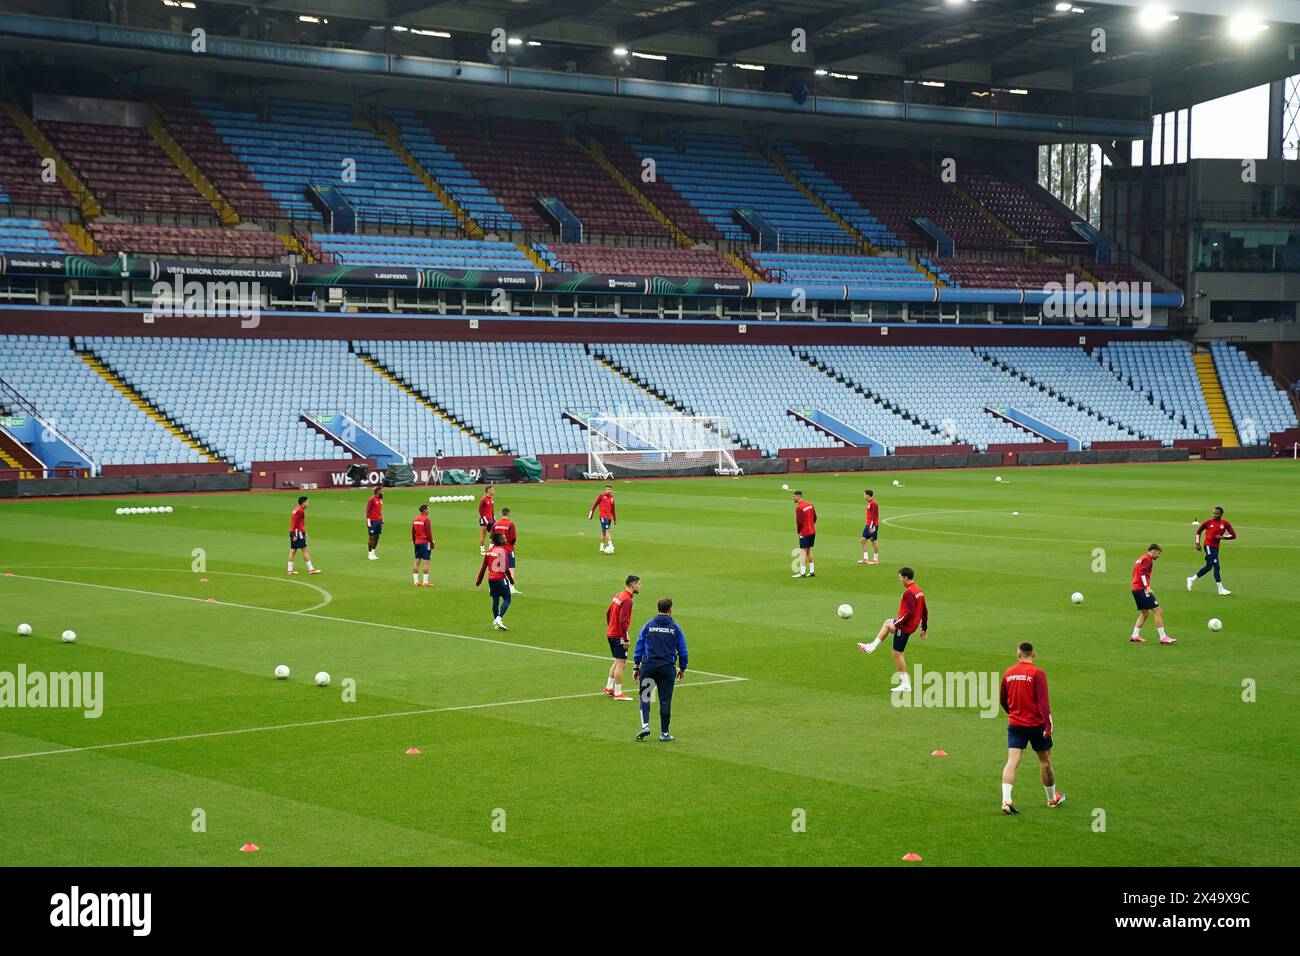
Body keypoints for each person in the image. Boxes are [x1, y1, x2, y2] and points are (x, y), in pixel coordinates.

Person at [999, 642, 1066, 815]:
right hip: (1036, 725)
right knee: (1045, 762)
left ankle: (1006, 800)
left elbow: (1002, 699)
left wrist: (1013, 712)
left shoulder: (1008, 673)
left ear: (1018, 654)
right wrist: (1048, 725)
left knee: (1012, 761)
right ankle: (1052, 799)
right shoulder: (1038, 673)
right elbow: (1043, 702)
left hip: (1015, 724)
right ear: (1033, 654)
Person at [858, 566, 927, 693]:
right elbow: (924, 609)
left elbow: (910, 613)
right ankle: (871, 647)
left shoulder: (909, 592)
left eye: (901, 578)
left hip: (905, 626)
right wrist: (924, 628)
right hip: (910, 625)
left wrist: (898, 624)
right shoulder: (918, 590)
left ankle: (906, 685)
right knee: (888, 622)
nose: (900, 580)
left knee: (897, 654)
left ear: (906, 577)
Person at [633, 597, 688, 742]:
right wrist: (682, 668)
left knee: (646, 696)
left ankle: (645, 725)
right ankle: (664, 733)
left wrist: (636, 666)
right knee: (665, 700)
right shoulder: (675, 627)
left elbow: (639, 645)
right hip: (666, 669)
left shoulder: (648, 625)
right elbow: (683, 650)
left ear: (657, 609)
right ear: (670, 610)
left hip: (649, 667)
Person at [604, 575, 641, 701]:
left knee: (617, 660)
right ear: (633, 585)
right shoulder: (627, 600)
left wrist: (611, 627)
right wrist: (625, 638)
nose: (640, 586)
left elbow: (608, 613)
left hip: (611, 633)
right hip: (618, 635)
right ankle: (618, 693)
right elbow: (623, 621)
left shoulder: (618, 595)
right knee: (621, 663)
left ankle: (609, 687)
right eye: (638, 584)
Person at [1131, 544, 1175, 644]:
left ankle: (1135, 635)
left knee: (1145, 613)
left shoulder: (1141, 558)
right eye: (1158, 554)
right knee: (1158, 611)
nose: (1158, 556)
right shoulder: (1148, 559)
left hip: (1135, 588)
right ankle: (1163, 637)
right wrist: (1147, 587)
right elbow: (1142, 573)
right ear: (1154, 551)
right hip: (1142, 589)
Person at [1188, 506, 1236, 596]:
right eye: (1213, 513)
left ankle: (1192, 579)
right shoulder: (1208, 522)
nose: (1214, 515)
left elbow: (1233, 535)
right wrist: (1197, 543)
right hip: (1208, 546)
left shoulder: (1225, 524)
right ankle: (1220, 589)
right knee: (1216, 566)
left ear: (1221, 514)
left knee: (1209, 566)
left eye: (1216, 513)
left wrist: (1223, 537)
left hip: (1216, 547)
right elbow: (1198, 531)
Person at [475, 531, 515, 631]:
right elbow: (505, 568)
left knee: (495, 600)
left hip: (491, 579)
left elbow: (483, 567)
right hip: (500, 578)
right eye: (504, 538)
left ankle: (497, 624)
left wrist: (479, 580)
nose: (505, 539)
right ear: (500, 540)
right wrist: (511, 579)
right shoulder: (503, 551)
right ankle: (499, 618)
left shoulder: (488, 551)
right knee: (507, 599)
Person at [287, 495, 320, 575]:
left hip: (294, 531)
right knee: (304, 549)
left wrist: (304, 532)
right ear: (304, 503)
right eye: (307, 502)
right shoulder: (300, 511)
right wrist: (296, 535)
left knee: (293, 550)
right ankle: (311, 569)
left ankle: (290, 570)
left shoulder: (296, 509)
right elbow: (296, 524)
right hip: (297, 532)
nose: (308, 504)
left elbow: (296, 523)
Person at [491, 507, 519, 593]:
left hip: (498, 549)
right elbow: (513, 538)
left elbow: (492, 536)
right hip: (508, 549)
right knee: (511, 567)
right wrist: (512, 543)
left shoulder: (496, 524)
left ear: (502, 514)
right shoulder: (511, 524)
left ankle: (493, 587)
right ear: (509, 514)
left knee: (497, 568)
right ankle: (511, 587)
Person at [792, 490, 817, 579]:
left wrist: (799, 531)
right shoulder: (810, 504)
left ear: (798, 496)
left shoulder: (799, 508)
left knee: (803, 551)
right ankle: (812, 571)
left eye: (794, 496)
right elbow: (815, 517)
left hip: (805, 532)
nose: (793, 498)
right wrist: (810, 525)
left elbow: (799, 522)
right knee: (809, 550)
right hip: (812, 531)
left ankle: (802, 573)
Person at [589, 484, 617, 554]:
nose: (609, 491)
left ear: (612, 490)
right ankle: (611, 545)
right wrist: (591, 515)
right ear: (605, 490)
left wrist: (615, 519)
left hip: (609, 517)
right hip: (603, 516)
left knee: (604, 532)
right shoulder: (601, 496)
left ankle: (601, 546)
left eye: (610, 489)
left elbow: (613, 510)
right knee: (608, 530)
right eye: (607, 489)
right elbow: (594, 505)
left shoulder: (612, 498)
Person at [411, 504, 434, 587]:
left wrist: (414, 541)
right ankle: (425, 582)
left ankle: (416, 582)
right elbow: (428, 533)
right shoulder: (426, 520)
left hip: (417, 542)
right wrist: (431, 542)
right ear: (424, 510)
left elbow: (413, 532)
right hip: (425, 543)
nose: (428, 510)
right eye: (427, 509)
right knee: (426, 562)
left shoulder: (415, 519)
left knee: (416, 561)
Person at [859, 489, 880, 565]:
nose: (864, 496)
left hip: (872, 525)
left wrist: (871, 526)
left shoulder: (873, 503)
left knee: (873, 541)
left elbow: (874, 516)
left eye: (864, 494)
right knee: (862, 540)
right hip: (867, 525)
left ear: (868, 495)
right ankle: (865, 559)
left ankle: (875, 560)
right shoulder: (869, 503)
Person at [366, 488, 383, 560]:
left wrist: (381, 518)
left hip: (378, 520)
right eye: (381, 491)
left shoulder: (380, 499)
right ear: (377, 491)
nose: (382, 492)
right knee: (371, 537)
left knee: (377, 537)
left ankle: (373, 552)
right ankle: (369, 553)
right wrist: (368, 521)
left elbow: (379, 510)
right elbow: (367, 511)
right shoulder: (371, 499)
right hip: (372, 521)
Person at [477, 485, 496, 554]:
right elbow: (480, 510)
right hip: (484, 520)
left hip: (491, 520)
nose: (494, 491)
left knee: (494, 534)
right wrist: (485, 519)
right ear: (488, 491)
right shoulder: (483, 499)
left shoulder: (491, 499)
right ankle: (482, 550)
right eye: (492, 490)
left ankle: (490, 549)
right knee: (483, 534)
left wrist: (494, 518)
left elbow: (492, 510)